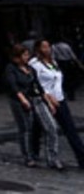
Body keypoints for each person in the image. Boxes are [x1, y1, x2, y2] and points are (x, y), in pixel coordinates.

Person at [6, 43, 61, 170]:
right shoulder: (11, 69)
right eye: (24, 55)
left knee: (51, 127)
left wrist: (48, 102)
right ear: (17, 57)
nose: (27, 57)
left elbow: (38, 86)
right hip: (21, 100)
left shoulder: (30, 69)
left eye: (27, 55)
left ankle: (52, 158)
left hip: (36, 99)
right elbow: (13, 86)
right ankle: (28, 157)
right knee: (26, 129)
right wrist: (23, 99)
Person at [31, 40, 84, 169]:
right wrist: (48, 97)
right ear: (38, 49)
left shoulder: (53, 62)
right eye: (44, 47)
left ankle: (81, 158)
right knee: (39, 128)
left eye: (48, 46)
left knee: (70, 129)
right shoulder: (35, 64)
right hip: (44, 100)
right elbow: (35, 83)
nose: (47, 49)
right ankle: (33, 153)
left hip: (59, 99)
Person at [52, 35, 82, 102]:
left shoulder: (54, 46)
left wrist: (53, 66)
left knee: (62, 79)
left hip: (60, 63)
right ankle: (71, 94)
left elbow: (53, 57)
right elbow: (73, 56)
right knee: (70, 79)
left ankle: (64, 93)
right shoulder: (66, 46)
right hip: (68, 63)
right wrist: (79, 63)